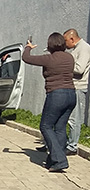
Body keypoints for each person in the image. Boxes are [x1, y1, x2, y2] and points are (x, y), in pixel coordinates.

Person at [23, 32, 76, 172]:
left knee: (45, 126)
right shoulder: (69, 57)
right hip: (71, 94)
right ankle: (53, 160)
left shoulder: (49, 58)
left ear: (50, 45)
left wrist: (28, 47)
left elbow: (26, 58)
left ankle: (60, 159)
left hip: (56, 94)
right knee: (60, 128)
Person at [64, 28, 90, 155]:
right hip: (71, 86)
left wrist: (65, 65)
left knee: (74, 118)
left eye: (65, 41)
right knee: (67, 117)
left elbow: (79, 69)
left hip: (78, 87)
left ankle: (72, 146)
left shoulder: (84, 48)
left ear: (72, 39)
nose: (65, 44)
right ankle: (65, 142)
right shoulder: (76, 49)